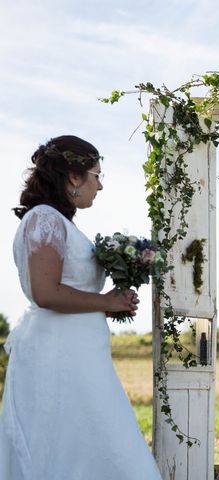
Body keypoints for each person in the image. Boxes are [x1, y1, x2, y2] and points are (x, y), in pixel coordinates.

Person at [0, 135, 161, 480]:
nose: (100, 186)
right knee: (92, 446)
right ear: (74, 176)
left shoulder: (61, 223)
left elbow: (67, 290)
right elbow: (45, 292)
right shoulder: (44, 219)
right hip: (58, 353)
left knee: (98, 443)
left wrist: (105, 305)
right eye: (96, 175)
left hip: (80, 351)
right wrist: (105, 301)